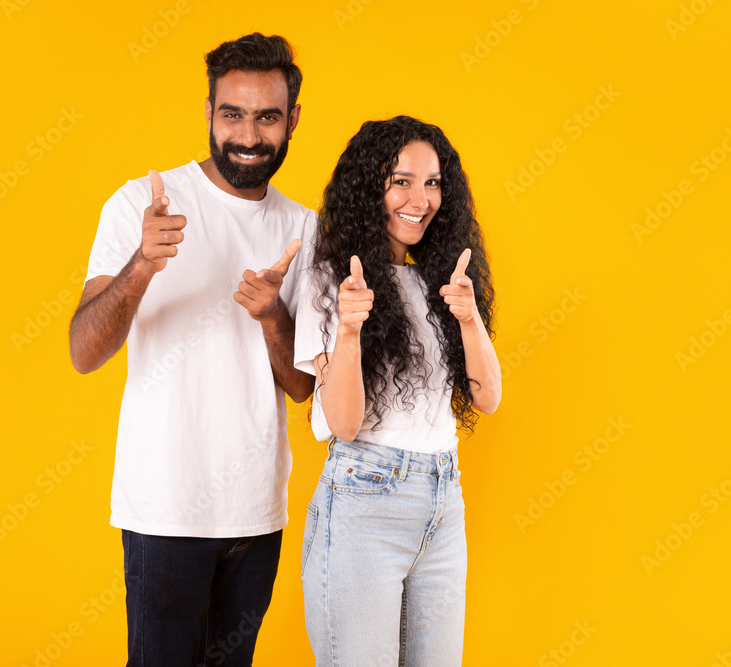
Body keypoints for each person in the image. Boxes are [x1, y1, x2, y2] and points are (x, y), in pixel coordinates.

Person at [69, 33, 315, 666]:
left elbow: (302, 386)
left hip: (256, 511)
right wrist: (142, 267)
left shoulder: (305, 229)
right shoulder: (139, 206)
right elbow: (84, 350)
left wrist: (272, 316)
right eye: (232, 113)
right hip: (164, 507)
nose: (249, 135)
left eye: (266, 117)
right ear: (208, 114)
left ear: (291, 121)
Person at [293, 115, 501, 665]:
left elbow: (487, 397)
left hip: (442, 500)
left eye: (433, 182)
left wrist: (468, 317)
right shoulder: (331, 280)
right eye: (401, 180)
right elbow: (342, 423)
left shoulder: (443, 283)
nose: (421, 198)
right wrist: (347, 329)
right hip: (365, 498)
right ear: (370, 186)